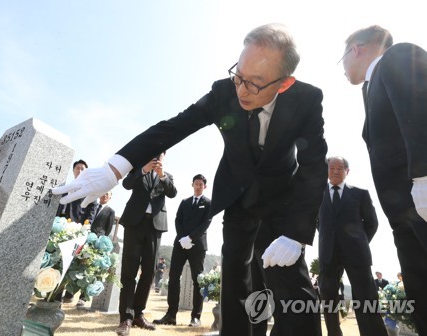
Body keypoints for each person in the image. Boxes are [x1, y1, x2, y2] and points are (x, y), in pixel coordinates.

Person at [53, 23, 328, 336]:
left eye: (255, 84)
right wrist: (113, 169)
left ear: (284, 84)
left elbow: (313, 168)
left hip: (283, 204)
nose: (241, 90)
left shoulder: (305, 100)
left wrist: (296, 233)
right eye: (238, 75)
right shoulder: (223, 92)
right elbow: (172, 127)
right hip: (239, 201)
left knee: (292, 291)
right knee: (237, 291)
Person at [341, 25, 427, 334]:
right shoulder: (371, 87)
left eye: (343, 57)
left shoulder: (397, 58)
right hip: (404, 217)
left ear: (356, 49)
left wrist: (423, 176)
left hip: (420, 196)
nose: (344, 67)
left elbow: (421, 109)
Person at [317, 156, 387, 336]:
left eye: (340, 168)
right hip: (327, 254)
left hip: (357, 254)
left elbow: (372, 223)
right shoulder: (317, 195)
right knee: (328, 298)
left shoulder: (360, 193)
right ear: (326, 171)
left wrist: (358, 242)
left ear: (347, 171)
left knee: (366, 297)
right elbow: (316, 223)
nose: (335, 171)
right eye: (331, 167)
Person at [115, 152, 177, 335]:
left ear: (165, 157)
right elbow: (126, 185)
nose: (157, 158)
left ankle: (138, 314)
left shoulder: (166, 176)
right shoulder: (137, 170)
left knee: (149, 271)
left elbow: (172, 193)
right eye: (154, 155)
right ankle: (125, 318)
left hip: (154, 227)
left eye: (160, 155)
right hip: (135, 223)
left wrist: (162, 175)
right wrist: (143, 170)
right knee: (129, 271)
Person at [153, 174, 212, 327]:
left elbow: (206, 223)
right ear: (192, 185)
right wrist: (182, 238)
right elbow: (177, 220)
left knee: (197, 280)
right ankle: (171, 315)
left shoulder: (208, 203)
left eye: (201, 184)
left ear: (205, 186)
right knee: (173, 278)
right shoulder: (184, 202)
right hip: (180, 244)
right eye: (196, 183)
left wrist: (191, 239)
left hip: (197, 246)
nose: (198, 186)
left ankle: (196, 317)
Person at [55, 159, 97, 303]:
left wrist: (84, 227)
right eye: (77, 168)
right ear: (73, 171)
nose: (80, 171)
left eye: (83, 169)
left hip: (76, 231)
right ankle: (53, 296)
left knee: (67, 265)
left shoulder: (91, 190)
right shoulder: (65, 187)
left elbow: (91, 213)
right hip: (59, 229)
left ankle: (63, 296)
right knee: (55, 262)